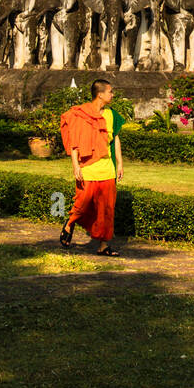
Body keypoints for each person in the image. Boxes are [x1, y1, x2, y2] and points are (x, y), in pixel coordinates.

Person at [59, 78, 124, 256]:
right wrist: (75, 166)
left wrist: (119, 163)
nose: (112, 94)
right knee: (82, 203)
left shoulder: (112, 115)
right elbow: (75, 142)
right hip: (88, 166)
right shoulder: (81, 114)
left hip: (107, 169)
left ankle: (104, 245)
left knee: (107, 208)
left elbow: (115, 139)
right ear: (100, 94)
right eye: (110, 91)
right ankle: (70, 223)